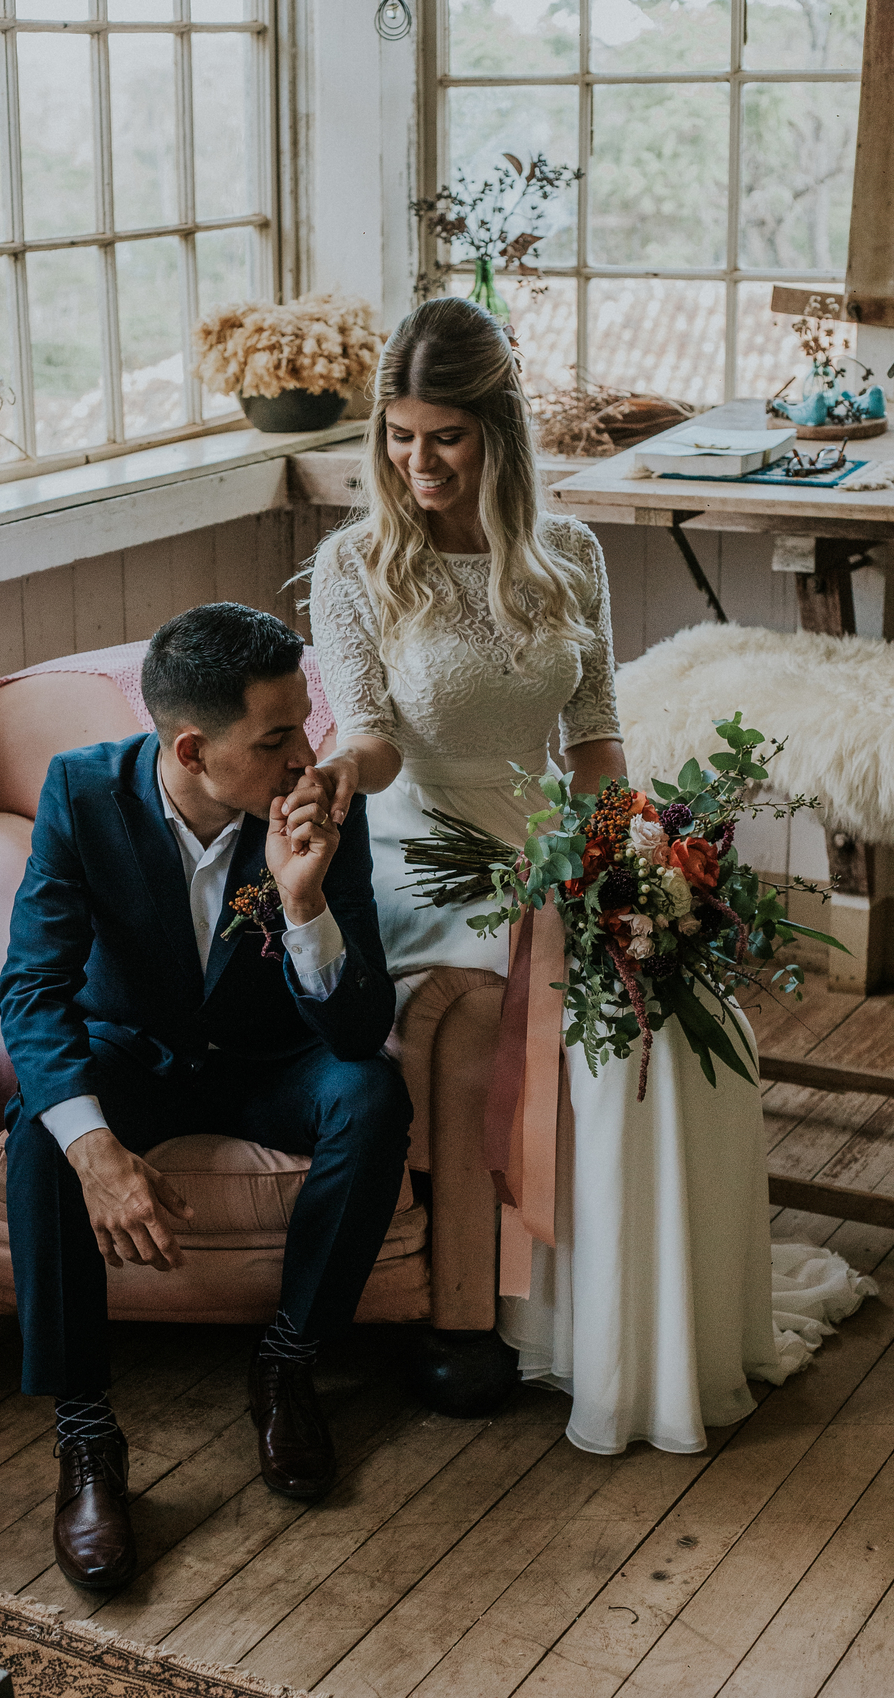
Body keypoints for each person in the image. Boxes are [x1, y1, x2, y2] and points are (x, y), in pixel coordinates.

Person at [298, 295, 874, 1458]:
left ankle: (663, 1324)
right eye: (400, 437)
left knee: (694, 1012)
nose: (419, 464)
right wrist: (332, 773)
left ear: (498, 433)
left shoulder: (570, 553)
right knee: (594, 1041)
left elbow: (597, 733)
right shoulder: (356, 564)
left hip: (559, 838)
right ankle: (565, 1334)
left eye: (446, 437)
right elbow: (372, 734)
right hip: (433, 853)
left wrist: (635, 860)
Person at [0, 602, 411, 1593]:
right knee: (44, 1134)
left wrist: (304, 901)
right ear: (191, 746)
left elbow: (356, 1030)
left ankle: (289, 1361)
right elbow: (34, 987)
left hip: (271, 1065)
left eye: (304, 726)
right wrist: (97, 1151)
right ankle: (87, 1434)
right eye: (277, 739)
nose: (306, 758)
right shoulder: (81, 794)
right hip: (133, 1059)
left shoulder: (317, 807)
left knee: (372, 1095)